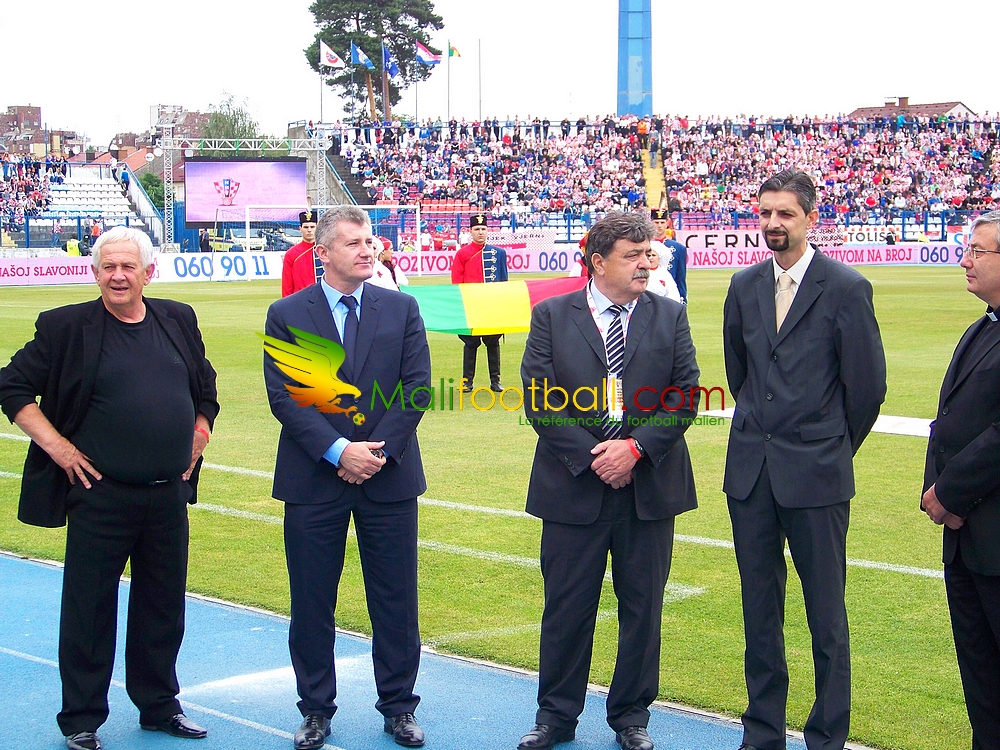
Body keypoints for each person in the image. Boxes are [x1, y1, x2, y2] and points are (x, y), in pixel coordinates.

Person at [0, 226, 219, 750]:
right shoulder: (65, 326)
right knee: (89, 608)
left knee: (162, 607)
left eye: (128, 267)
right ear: (94, 272)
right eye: (108, 267)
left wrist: (200, 432)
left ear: (148, 273)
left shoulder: (177, 318)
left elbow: (205, 389)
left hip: (167, 494)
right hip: (101, 495)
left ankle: (159, 705)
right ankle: (81, 717)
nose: (118, 276)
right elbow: (11, 386)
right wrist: (59, 448)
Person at [518, 211, 700, 750]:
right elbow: (540, 398)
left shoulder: (669, 314)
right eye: (632, 255)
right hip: (573, 485)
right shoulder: (552, 314)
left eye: (648, 254)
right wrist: (597, 457)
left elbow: (685, 393)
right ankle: (556, 717)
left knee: (642, 610)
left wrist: (635, 449)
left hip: (649, 487)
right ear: (597, 263)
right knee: (567, 608)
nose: (646, 264)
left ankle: (631, 718)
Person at [722, 170, 886, 750]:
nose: (773, 223)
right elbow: (740, 374)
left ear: (811, 219)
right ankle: (762, 733)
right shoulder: (743, 284)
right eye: (765, 212)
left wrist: (828, 447)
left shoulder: (845, 287)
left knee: (826, 617)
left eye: (785, 213)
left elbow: (867, 389)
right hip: (751, 475)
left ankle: (826, 738)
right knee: (759, 614)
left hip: (817, 476)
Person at [263, 205, 431, 750]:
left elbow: (416, 387)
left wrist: (373, 452)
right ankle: (315, 710)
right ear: (323, 252)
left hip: (388, 476)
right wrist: (339, 451)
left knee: (396, 601)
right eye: (354, 242)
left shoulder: (401, 307)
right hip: (314, 480)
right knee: (312, 602)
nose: (367, 250)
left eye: (370, 241)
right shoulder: (288, 313)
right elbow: (287, 396)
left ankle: (399, 708)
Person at [921, 209, 1000, 750]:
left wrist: (949, 491)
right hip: (967, 541)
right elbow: (949, 420)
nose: (965, 260)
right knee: (982, 687)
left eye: (977, 251)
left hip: (992, 534)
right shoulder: (981, 327)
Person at [451, 214, 508, 392]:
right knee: (471, 344)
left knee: (493, 343)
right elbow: (456, 282)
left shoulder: (499, 253)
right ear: (471, 231)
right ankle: (467, 381)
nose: (480, 232)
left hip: (492, 307)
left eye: (483, 229)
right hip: (471, 307)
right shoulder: (462, 254)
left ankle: (495, 381)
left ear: (487, 230)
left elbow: (503, 282)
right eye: (477, 229)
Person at [281, 210, 320, 297]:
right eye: (306, 227)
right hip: (300, 299)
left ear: (317, 228)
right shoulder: (291, 254)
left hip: (321, 298)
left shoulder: (324, 250)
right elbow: (287, 284)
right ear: (300, 229)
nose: (309, 230)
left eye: (312, 227)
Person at [650, 209, 686, 302]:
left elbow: (681, 277)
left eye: (662, 222)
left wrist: (683, 298)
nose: (659, 225)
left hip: (670, 293)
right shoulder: (644, 245)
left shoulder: (678, 248)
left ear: (667, 223)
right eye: (656, 222)